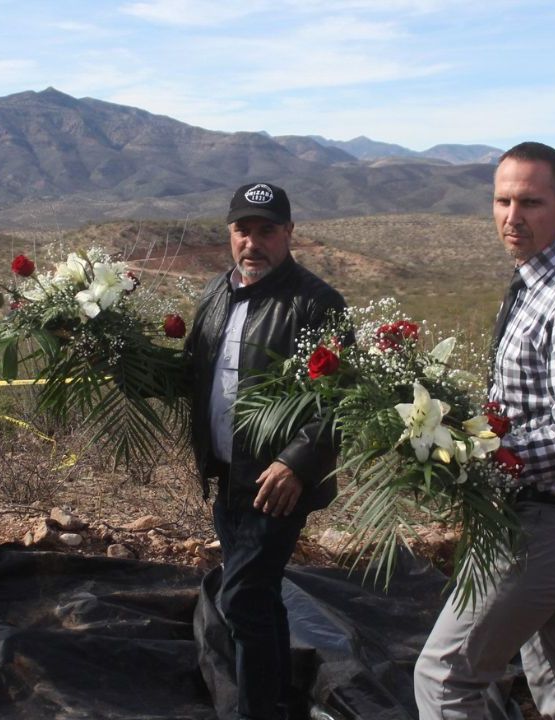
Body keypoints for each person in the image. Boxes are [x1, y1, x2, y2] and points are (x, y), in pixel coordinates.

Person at [414, 142, 555, 719]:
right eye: (502, 201)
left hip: (553, 525)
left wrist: (467, 451)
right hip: (553, 520)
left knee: (443, 679)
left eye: (530, 202)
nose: (513, 217)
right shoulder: (537, 284)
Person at [184, 182, 346, 720]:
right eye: (242, 230)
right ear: (230, 234)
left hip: (276, 485)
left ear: (289, 233)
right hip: (228, 476)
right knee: (261, 597)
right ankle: (279, 701)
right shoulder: (215, 294)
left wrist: (296, 462)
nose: (253, 242)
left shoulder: (317, 303)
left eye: (267, 230)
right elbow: (192, 375)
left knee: (242, 600)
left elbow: (341, 400)